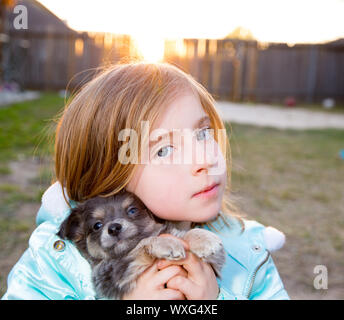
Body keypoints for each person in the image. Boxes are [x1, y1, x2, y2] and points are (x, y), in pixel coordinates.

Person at [2, 61, 289, 300]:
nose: (205, 159)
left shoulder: (247, 250)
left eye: (203, 133)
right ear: (110, 179)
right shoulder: (56, 263)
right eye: (164, 149)